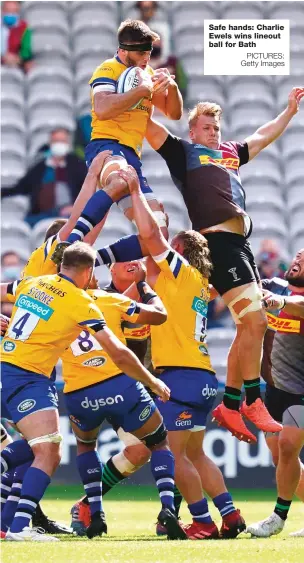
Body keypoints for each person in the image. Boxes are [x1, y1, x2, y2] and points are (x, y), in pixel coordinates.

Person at [144, 88, 304, 441]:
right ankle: (250, 399)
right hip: (218, 243)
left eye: (215, 127)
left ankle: (230, 405)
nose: (213, 132)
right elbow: (149, 127)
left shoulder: (231, 152)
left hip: (239, 244)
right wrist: (143, 92)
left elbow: (262, 136)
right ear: (192, 132)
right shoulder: (183, 152)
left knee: (247, 325)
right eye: (206, 128)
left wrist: (289, 112)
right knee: (257, 320)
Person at [0, 242, 170, 542]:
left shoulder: (33, 281)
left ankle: (15, 526)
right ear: (89, 270)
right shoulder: (81, 302)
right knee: (48, 450)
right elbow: (118, 352)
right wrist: (152, 381)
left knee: (43, 448)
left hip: (10, 368)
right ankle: (20, 527)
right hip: (27, 377)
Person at [118, 165, 246, 540]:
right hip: (203, 378)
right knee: (196, 455)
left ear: (180, 251)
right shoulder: (199, 284)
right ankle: (231, 514)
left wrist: (134, 193)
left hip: (180, 377)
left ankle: (203, 522)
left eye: (170, 248)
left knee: (172, 457)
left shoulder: (182, 272)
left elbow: (152, 237)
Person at [51, 18, 183, 265]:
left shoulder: (147, 74)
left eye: (150, 51)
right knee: (121, 179)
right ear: (123, 50)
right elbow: (101, 108)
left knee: (157, 230)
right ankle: (70, 242)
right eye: (142, 52)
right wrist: (140, 92)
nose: (147, 56)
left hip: (133, 156)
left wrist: (172, 87)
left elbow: (174, 114)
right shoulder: (108, 69)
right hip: (106, 146)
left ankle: (94, 260)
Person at [246, 248, 304, 538]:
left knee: (288, 447)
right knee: (281, 459)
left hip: (301, 389)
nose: (297, 262)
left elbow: (299, 305)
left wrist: (281, 302)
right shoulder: (272, 286)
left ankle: (278, 518)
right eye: (297, 257)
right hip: (274, 387)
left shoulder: (287, 298)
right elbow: (247, 288)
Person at [2, 129, 88, 226]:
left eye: (63, 141)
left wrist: (75, 208)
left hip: (70, 214)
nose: (59, 144)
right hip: (41, 216)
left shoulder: (77, 165)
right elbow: (21, 187)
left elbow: (89, 190)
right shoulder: (39, 167)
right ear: (50, 143)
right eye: (56, 141)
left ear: (68, 144)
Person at [1, 1, 33, 72]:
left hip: (17, 64)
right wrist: (3, 57)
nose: (10, 14)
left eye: (14, 12)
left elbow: (26, 51)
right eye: (8, 11)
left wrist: (17, 59)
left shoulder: (24, 27)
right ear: (2, 11)